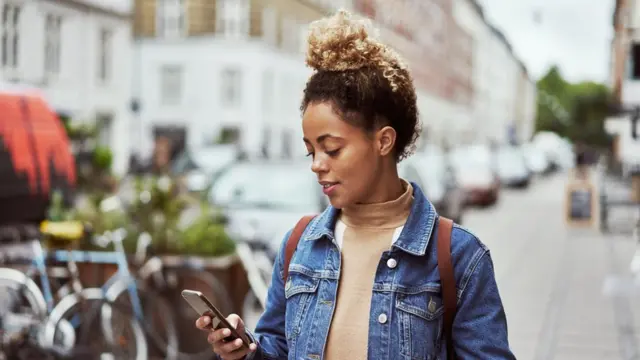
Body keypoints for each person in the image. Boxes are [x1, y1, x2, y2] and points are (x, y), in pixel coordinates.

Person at [196, 9, 516, 360]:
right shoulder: (299, 245)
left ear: (383, 142)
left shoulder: (458, 257)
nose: (318, 165)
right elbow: (278, 347)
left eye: (332, 149)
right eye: (310, 152)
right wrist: (247, 351)